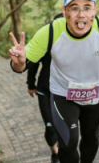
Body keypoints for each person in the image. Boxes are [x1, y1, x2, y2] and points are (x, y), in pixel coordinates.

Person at [8, 0, 99, 163]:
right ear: (64, 11)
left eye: (87, 8)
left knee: (91, 140)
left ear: (94, 11)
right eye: (74, 8)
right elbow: (21, 66)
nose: (81, 14)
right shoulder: (50, 32)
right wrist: (19, 61)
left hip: (94, 96)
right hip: (63, 96)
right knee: (69, 142)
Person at [26, 13, 64, 163]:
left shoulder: (74, 44)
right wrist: (31, 84)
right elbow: (33, 64)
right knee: (50, 125)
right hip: (45, 90)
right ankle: (54, 152)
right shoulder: (45, 42)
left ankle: (62, 151)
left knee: (63, 125)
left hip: (65, 92)